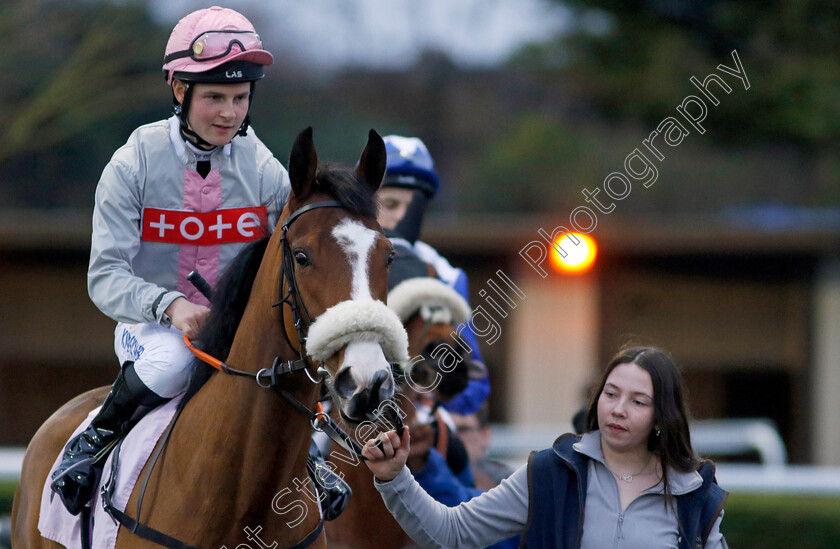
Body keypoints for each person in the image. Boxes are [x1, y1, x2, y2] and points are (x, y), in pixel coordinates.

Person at [50, 6, 289, 515]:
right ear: (181, 92)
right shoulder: (131, 163)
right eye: (215, 98)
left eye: (241, 98)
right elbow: (105, 277)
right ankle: (90, 443)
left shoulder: (268, 174)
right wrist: (170, 307)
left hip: (234, 333)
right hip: (150, 329)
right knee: (176, 360)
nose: (230, 113)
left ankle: (314, 460)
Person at [363, 346, 729, 549]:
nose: (618, 409)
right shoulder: (550, 473)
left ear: (663, 415)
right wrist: (396, 478)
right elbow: (452, 532)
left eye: (638, 401)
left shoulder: (695, 495)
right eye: (611, 394)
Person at [378, 135, 490, 415]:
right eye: (390, 204)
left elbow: (474, 384)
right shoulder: (339, 263)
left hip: (420, 416)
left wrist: (429, 397)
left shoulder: (447, 276)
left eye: (413, 207)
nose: (401, 218)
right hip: (339, 413)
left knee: (452, 458)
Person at [450, 402, 515, 491]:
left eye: (463, 430)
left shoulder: (506, 481)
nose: (454, 438)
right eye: (448, 430)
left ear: (485, 435)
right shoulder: (430, 477)